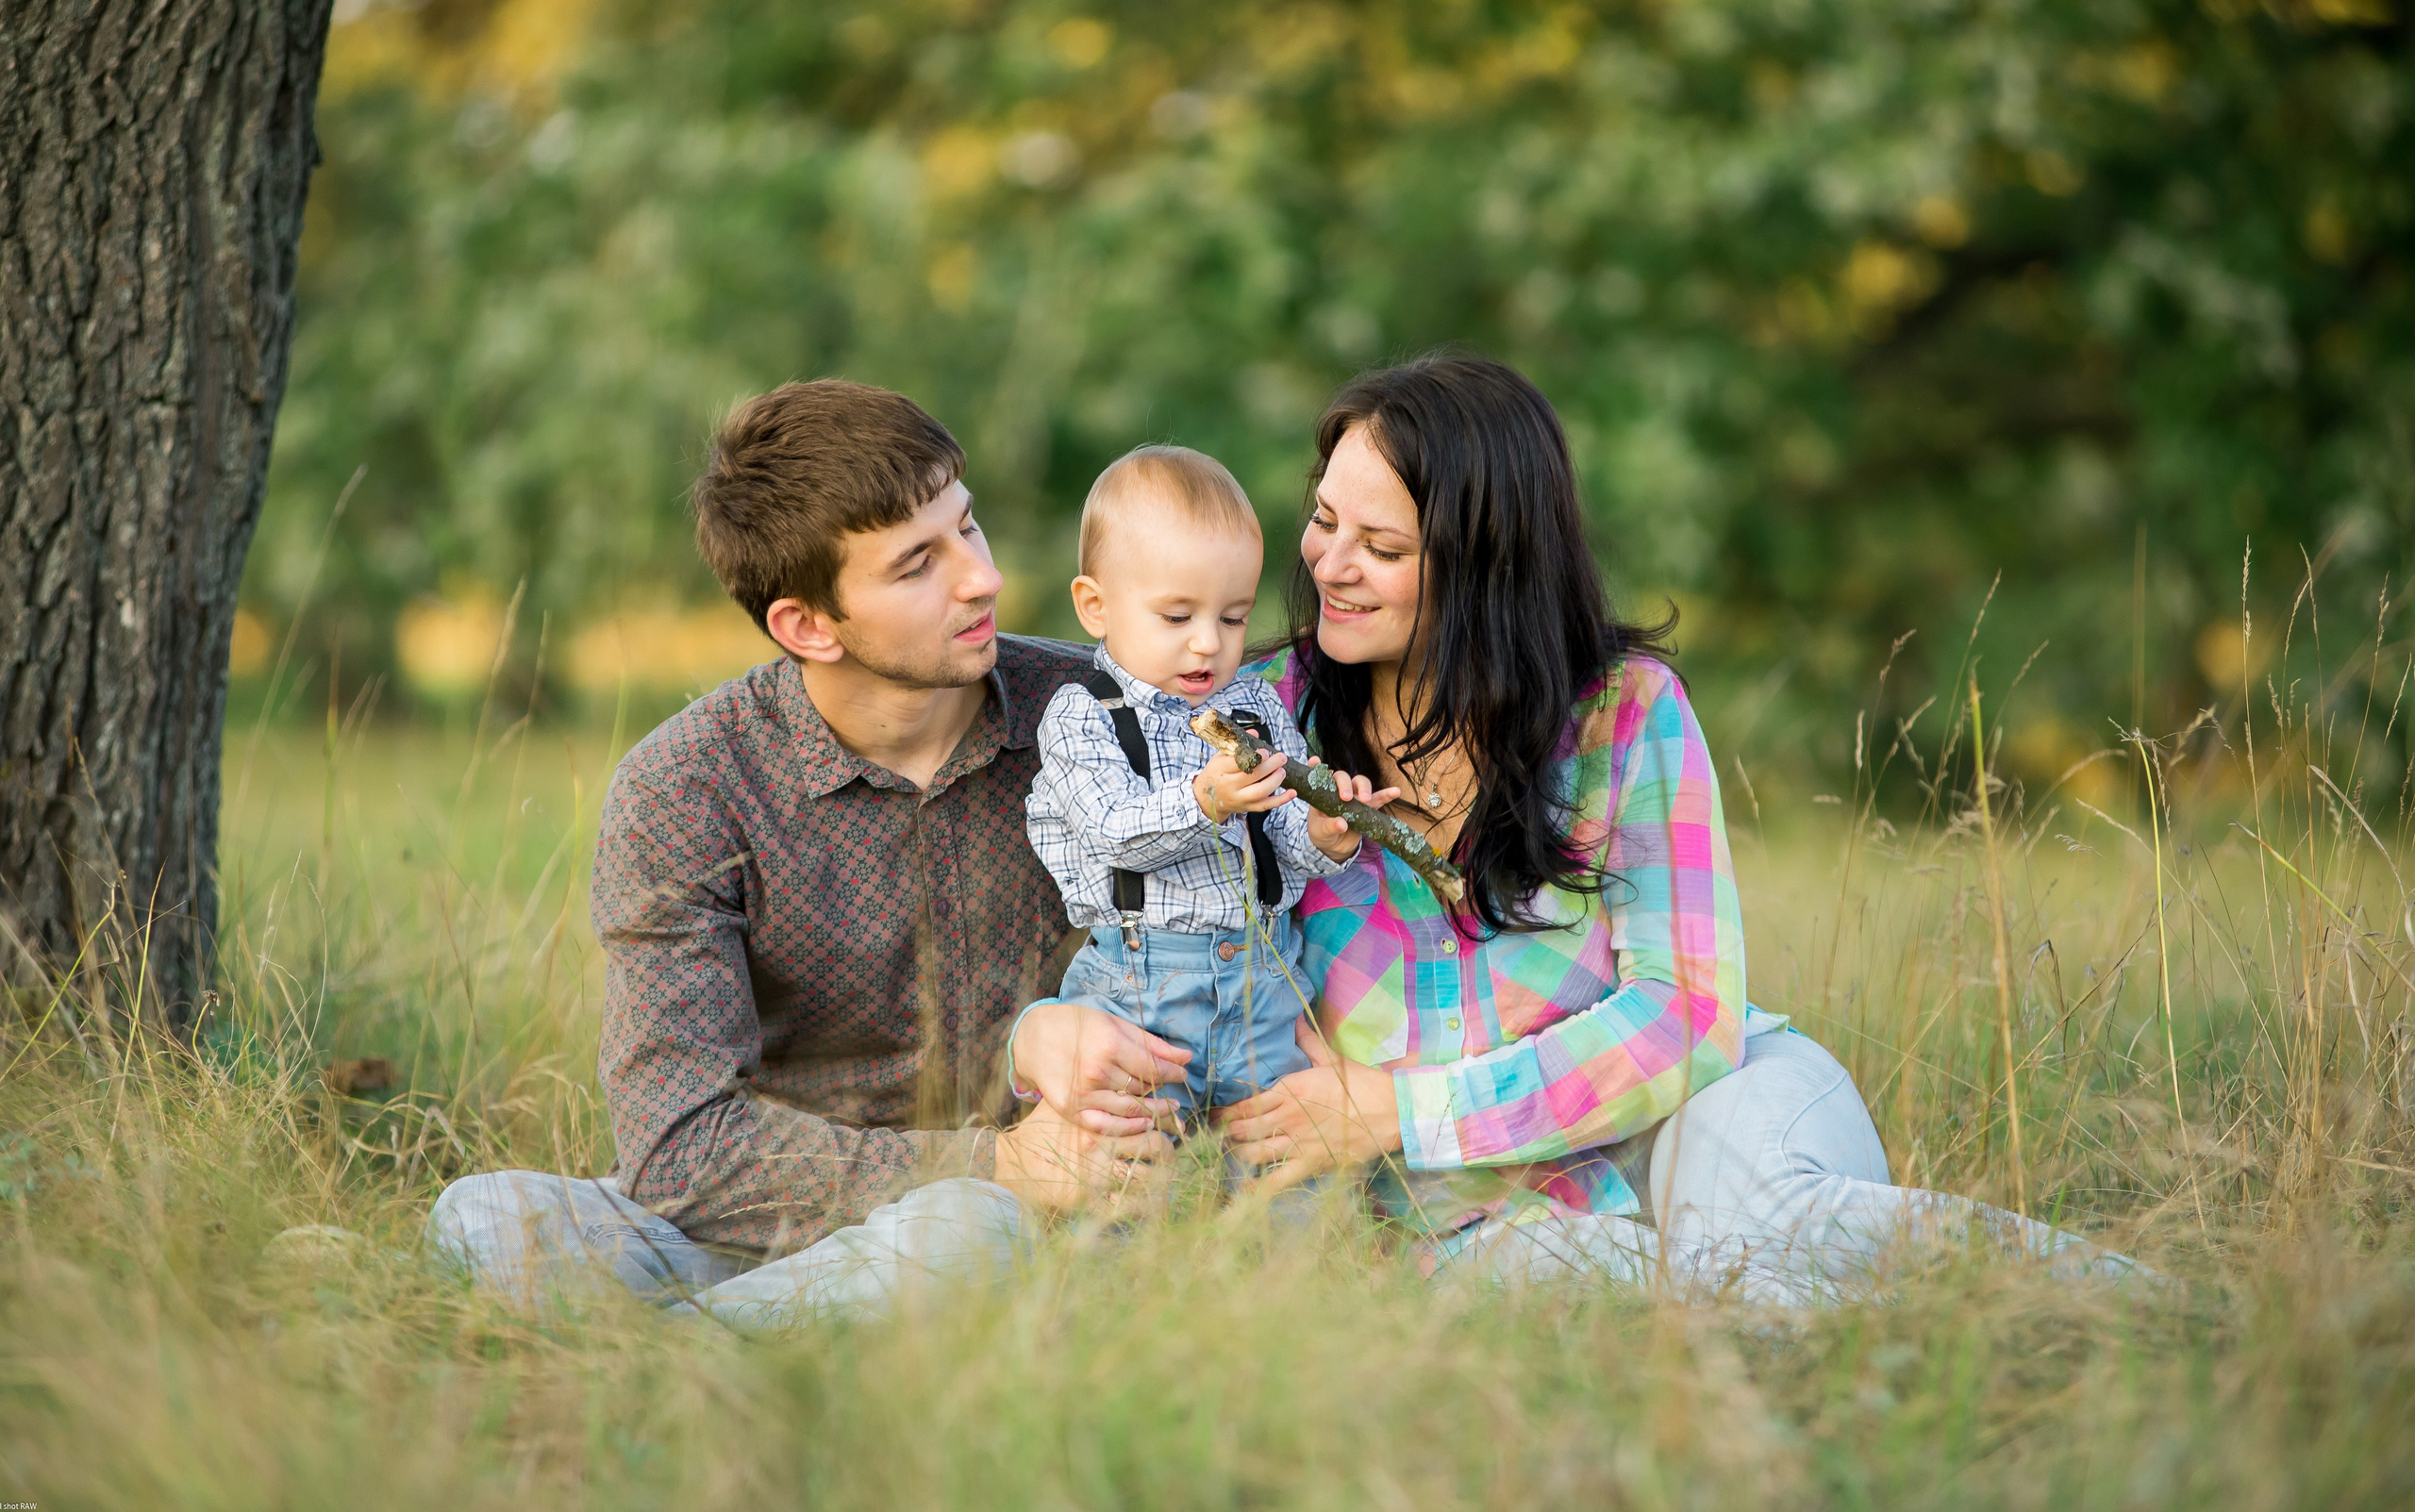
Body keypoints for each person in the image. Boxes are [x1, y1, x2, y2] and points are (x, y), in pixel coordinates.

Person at [1172, 354, 2140, 1304]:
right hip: (1469, 1229)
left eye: (1382, 548)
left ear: (1485, 563)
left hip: (1698, 1118)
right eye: (1323, 520)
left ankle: (2151, 1304)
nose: (1329, 564)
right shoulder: (1254, 730)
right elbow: (1146, 929)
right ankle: (1933, 1325)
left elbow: (1685, 1015)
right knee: (1667, 1296)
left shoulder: (1622, 714)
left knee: (1767, 1225)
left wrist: (1409, 1112)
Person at [425, 379, 1195, 1326]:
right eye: (916, 564)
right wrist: (995, 1159)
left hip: (1015, 1224)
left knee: (967, 1234)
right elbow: (678, 1149)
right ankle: (756, 1327)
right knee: (484, 1217)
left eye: (967, 526)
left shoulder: (1106, 715)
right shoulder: (685, 786)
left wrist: (1023, 1172)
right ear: (806, 625)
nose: (980, 577)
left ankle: (677, 1352)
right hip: (767, 1223)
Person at [1024, 446, 1393, 1122]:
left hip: (1263, 982)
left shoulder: (1253, 706)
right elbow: (1112, 832)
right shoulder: (1083, 715)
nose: (1207, 644)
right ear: (1095, 606)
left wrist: (1323, 834)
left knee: (1285, 1147)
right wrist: (1206, 801)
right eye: (1177, 617)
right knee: (1130, 1152)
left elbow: (1283, 833)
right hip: (1140, 988)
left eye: (1231, 618)